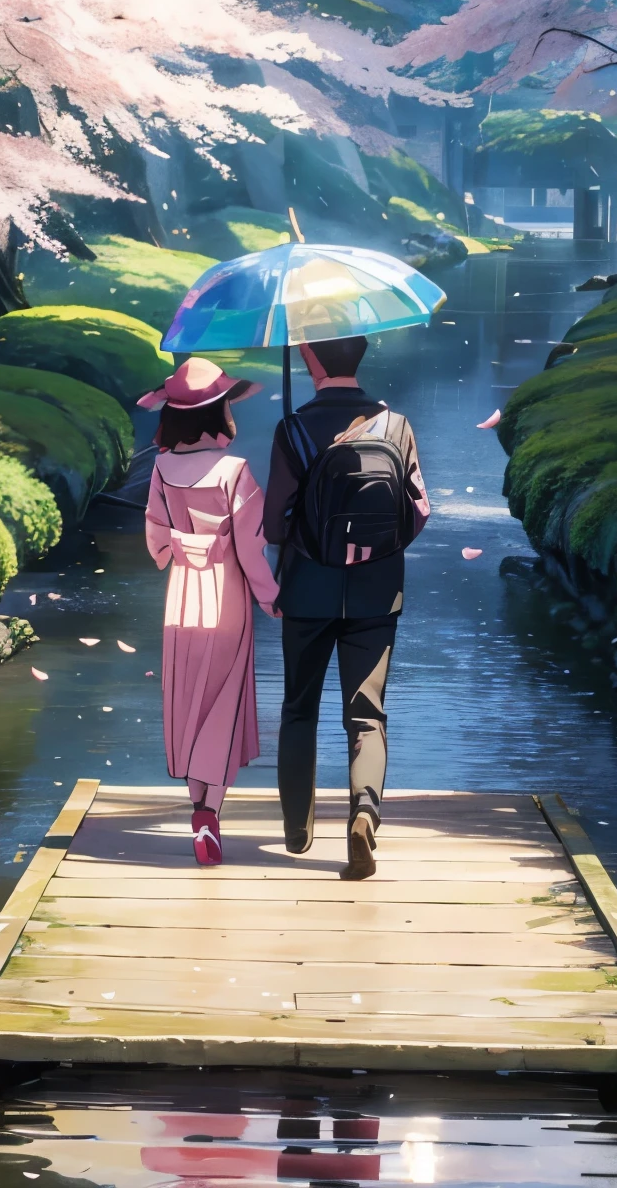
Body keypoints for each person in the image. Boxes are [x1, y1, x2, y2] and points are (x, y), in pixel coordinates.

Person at [263, 334, 429, 880]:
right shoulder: (396, 426)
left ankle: (297, 831)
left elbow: (271, 524)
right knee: (367, 713)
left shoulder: (293, 428)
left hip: (308, 589)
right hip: (378, 591)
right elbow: (419, 511)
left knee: (298, 709)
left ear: (311, 361)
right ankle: (363, 814)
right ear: (359, 360)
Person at [140, 356, 280, 867]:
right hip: (226, 598)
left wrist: (180, 546)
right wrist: (270, 595)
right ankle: (210, 815)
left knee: (188, 699)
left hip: (182, 594)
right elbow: (250, 546)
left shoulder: (159, 468)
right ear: (219, 413)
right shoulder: (234, 471)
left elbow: (156, 534)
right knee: (222, 702)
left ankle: (196, 806)